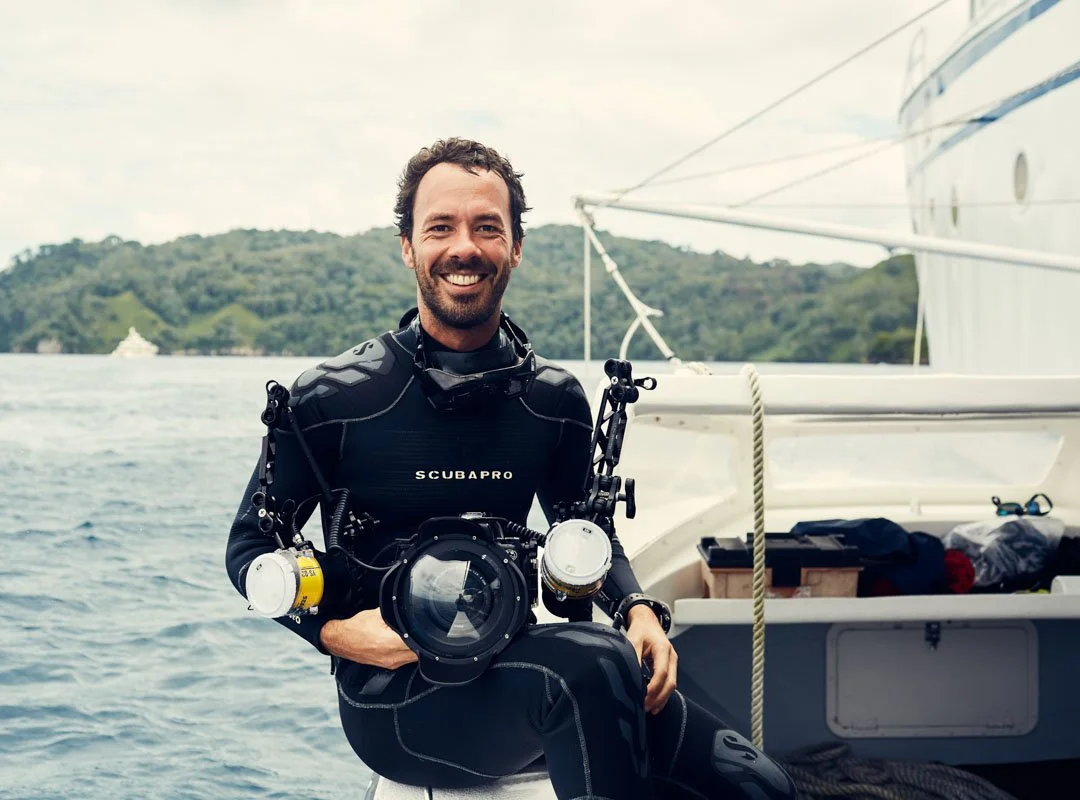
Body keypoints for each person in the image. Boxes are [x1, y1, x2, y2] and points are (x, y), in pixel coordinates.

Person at [225, 138, 796, 800]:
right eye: (440, 227)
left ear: (515, 246)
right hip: (397, 696)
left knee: (760, 787)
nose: (463, 247)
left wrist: (637, 608)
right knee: (592, 665)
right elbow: (250, 547)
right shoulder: (330, 398)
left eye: (486, 227)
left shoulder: (551, 400)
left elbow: (587, 530)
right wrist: (331, 630)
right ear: (408, 247)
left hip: (516, 657)